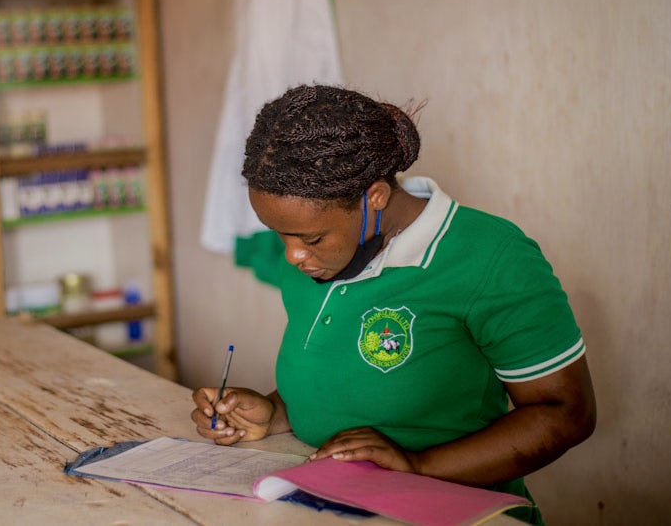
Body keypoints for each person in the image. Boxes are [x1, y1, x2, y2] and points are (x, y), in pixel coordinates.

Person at [191, 84, 596, 525]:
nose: (291, 256)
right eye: (279, 233)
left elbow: (566, 413)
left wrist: (420, 467)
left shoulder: (490, 257)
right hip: (328, 500)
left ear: (376, 197)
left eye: (311, 238)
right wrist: (274, 414)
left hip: (457, 512)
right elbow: (353, 384)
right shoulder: (316, 257)